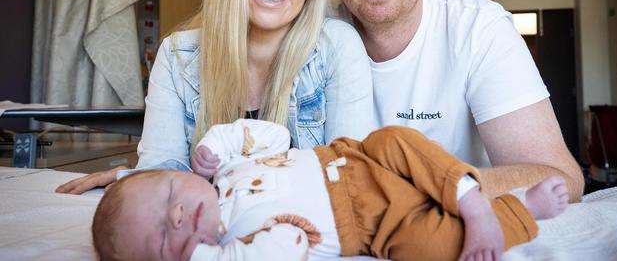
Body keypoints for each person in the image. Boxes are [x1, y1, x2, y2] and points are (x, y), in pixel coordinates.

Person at [56, 0, 374, 194]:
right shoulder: (176, 57)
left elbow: (347, 178)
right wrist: (141, 179)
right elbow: (164, 169)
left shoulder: (336, 47)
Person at [321, 0, 584, 201]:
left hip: (465, 225)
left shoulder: (478, 28)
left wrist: (429, 188)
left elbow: (561, 180)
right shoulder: (310, 33)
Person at [92, 119, 569, 261]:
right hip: (374, 227)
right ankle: (519, 211)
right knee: (428, 245)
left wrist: (217, 144)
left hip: (353, 158)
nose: (175, 215)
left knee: (396, 138)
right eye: (161, 240)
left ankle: (471, 198)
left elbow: (276, 137)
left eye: (169, 193)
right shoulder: (239, 242)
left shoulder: (225, 171)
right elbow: (291, 243)